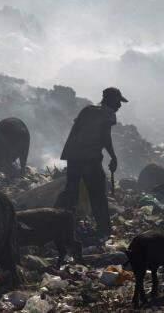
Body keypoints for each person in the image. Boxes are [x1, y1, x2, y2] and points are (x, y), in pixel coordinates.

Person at [57, 87, 128, 238]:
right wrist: (113, 157)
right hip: (90, 159)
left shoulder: (88, 110)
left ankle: (61, 227)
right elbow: (105, 137)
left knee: (71, 192)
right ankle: (104, 230)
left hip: (74, 157)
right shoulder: (106, 114)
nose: (119, 106)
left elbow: (76, 132)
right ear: (109, 99)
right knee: (97, 195)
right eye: (118, 102)